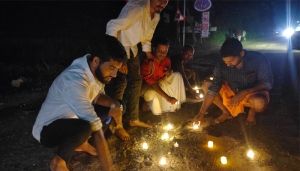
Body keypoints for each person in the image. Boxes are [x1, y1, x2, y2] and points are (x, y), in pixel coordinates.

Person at [32, 35, 128, 171]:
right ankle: (58, 161)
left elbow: (95, 97)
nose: (114, 74)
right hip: (47, 129)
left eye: (117, 69)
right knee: (86, 127)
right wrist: (109, 167)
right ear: (96, 60)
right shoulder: (74, 81)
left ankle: (81, 142)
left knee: (118, 104)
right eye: (112, 68)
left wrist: (114, 105)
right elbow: (96, 128)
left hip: (72, 117)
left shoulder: (93, 67)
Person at [106, 0, 169, 128]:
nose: (162, 3)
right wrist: (119, 58)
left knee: (136, 81)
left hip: (132, 48)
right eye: (160, 0)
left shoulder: (156, 16)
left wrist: (149, 54)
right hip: (121, 47)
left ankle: (133, 118)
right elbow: (112, 27)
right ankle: (115, 124)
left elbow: (147, 37)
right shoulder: (137, 8)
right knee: (121, 82)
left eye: (166, 1)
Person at [193, 38, 273, 125]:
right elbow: (213, 89)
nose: (227, 64)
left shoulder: (258, 59)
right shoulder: (221, 64)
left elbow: (267, 84)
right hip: (232, 89)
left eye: (231, 61)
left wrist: (244, 92)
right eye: (225, 61)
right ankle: (226, 112)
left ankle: (252, 112)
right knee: (207, 85)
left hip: (252, 92)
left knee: (259, 103)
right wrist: (201, 113)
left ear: (241, 54)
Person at [141, 37, 186, 115]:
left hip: (161, 84)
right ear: (154, 49)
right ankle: (148, 104)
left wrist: (169, 72)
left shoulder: (167, 60)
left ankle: (173, 106)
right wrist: (168, 98)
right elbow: (153, 85)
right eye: (160, 51)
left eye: (165, 51)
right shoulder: (148, 63)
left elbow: (167, 74)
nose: (162, 54)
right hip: (149, 88)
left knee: (177, 76)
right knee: (151, 96)